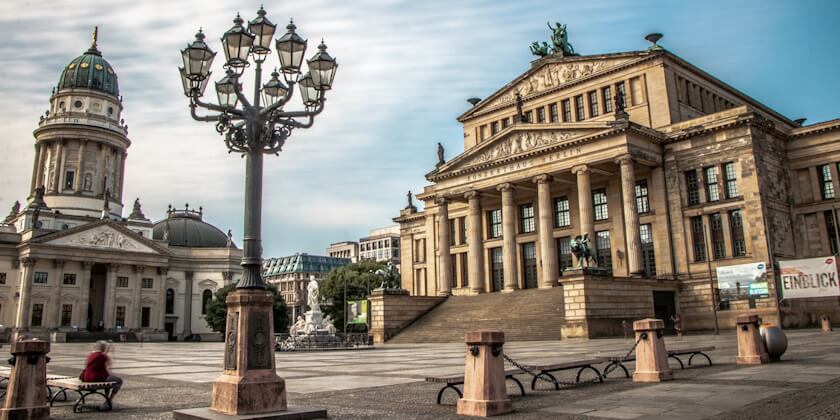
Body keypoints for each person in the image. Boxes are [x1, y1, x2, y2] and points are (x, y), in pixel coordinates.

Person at [80, 340, 122, 408]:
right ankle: (109, 399)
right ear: (103, 348)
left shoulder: (91, 355)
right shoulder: (104, 356)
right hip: (96, 378)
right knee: (119, 381)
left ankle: (107, 398)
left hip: (87, 377)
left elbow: (101, 356)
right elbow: (108, 367)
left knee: (109, 379)